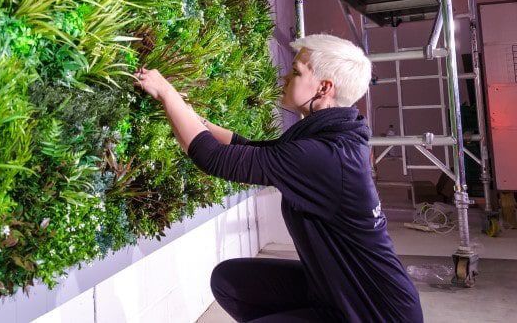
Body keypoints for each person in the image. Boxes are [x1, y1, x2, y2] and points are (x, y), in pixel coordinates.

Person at [133, 33, 423, 323]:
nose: (285, 77)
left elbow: (213, 158)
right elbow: (248, 149)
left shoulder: (326, 157)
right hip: (336, 293)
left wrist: (166, 92)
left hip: (376, 315)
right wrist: (192, 117)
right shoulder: (333, 138)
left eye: (296, 72)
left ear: (324, 88)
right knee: (231, 281)